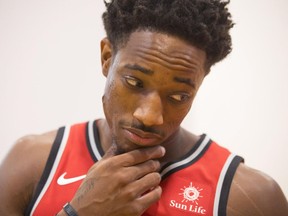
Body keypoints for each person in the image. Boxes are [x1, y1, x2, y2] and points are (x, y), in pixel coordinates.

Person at [0, 0, 287, 215]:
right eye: (135, 82)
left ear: (200, 82)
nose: (149, 116)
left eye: (178, 96)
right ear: (106, 57)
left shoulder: (251, 197)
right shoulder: (32, 163)